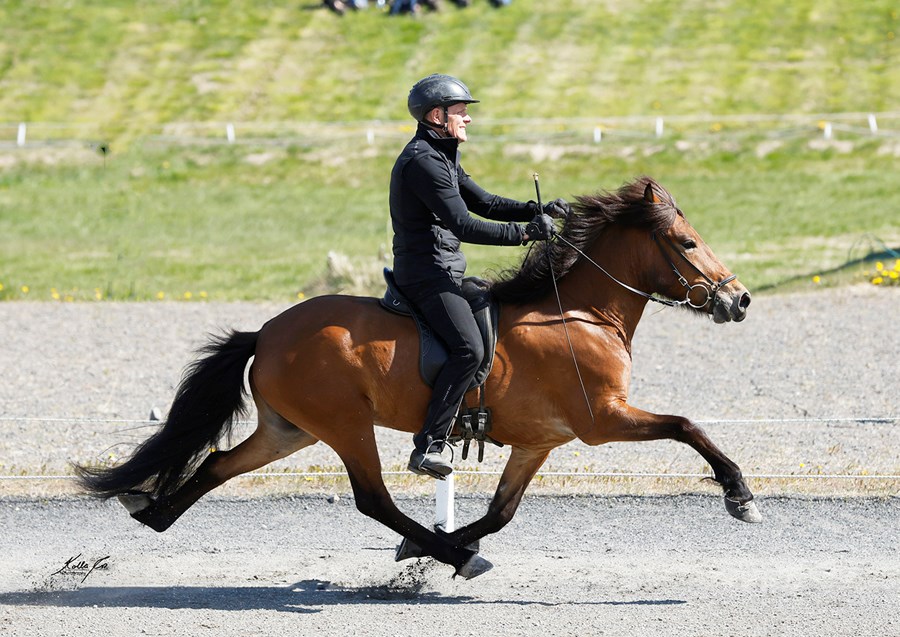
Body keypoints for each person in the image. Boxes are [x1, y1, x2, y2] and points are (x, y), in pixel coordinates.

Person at [389, 73, 567, 478]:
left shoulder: (443, 154)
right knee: (468, 348)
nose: (467, 119)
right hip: (427, 275)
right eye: (460, 112)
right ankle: (430, 443)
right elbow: (464, 224)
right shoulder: (422, 161)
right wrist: (524, 234)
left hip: (445, 269)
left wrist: (535, 210)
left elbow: (484, 202)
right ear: (437, 115)